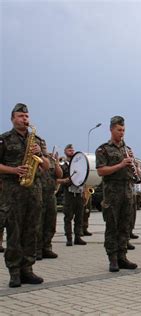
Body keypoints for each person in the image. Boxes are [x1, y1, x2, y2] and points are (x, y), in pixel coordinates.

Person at [0, 103, 50, 288]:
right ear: (13, 118)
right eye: (21, 116)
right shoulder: (4, 139)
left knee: (32, 231)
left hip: (34, 191)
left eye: (26, 116)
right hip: (13, 192)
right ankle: (14, 272)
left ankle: (27, 270)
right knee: (14, 232)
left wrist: (40, 154)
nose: (25, 119)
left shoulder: (37, 140)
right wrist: (14, 170)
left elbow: (47, 166)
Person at [96, 115, 138, 272]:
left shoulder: (127, 149)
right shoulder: (103, 149)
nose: (122, 133)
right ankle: (112, 258)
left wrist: (136, 168)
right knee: (112, 226)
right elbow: (101, 171)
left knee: (125, 226)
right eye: (119, 130)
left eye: (124, 130)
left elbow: (134, 173)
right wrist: (121, 164)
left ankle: (122, 256)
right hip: (112, 193)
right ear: (111, 129)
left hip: (127, 191)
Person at [57, 144, 87, 246]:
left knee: (79, 217)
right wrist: (65, 180)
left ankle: (78, 237)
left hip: (78, 193)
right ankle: (69, 238)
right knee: (68, 217)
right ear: (65, 151)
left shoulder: (78, 165)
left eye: (72, 150)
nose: (72, 151)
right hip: (68, 193)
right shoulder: (62, 165)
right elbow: (57, 179)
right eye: (69, 150)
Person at [36, 144, 63, 260]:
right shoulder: (36, 159)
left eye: (45, 146)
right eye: (42, 146)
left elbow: (59, 175)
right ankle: (37, 250)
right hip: (38, 194)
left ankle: (47, 247)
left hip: (50, 195)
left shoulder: (51, 160)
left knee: (51, 223)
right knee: (38, 223)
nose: (44, 148)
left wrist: (56, 163)